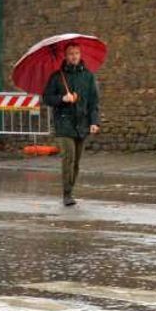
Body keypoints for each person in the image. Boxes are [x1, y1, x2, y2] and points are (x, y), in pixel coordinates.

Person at [42, 43, 100, 206]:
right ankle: (66, 194)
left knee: (76, 162)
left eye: (76, 53)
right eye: (70, 54)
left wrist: (94, 121)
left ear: (80, 55)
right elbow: (46, 97)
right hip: (64, 123)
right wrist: (62, 98)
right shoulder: (57, 76)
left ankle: (70, 189)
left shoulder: (88, 76)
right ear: (65, 57)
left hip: (81, 123)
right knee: (68, 158)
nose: (74, 56)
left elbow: (93, 102)